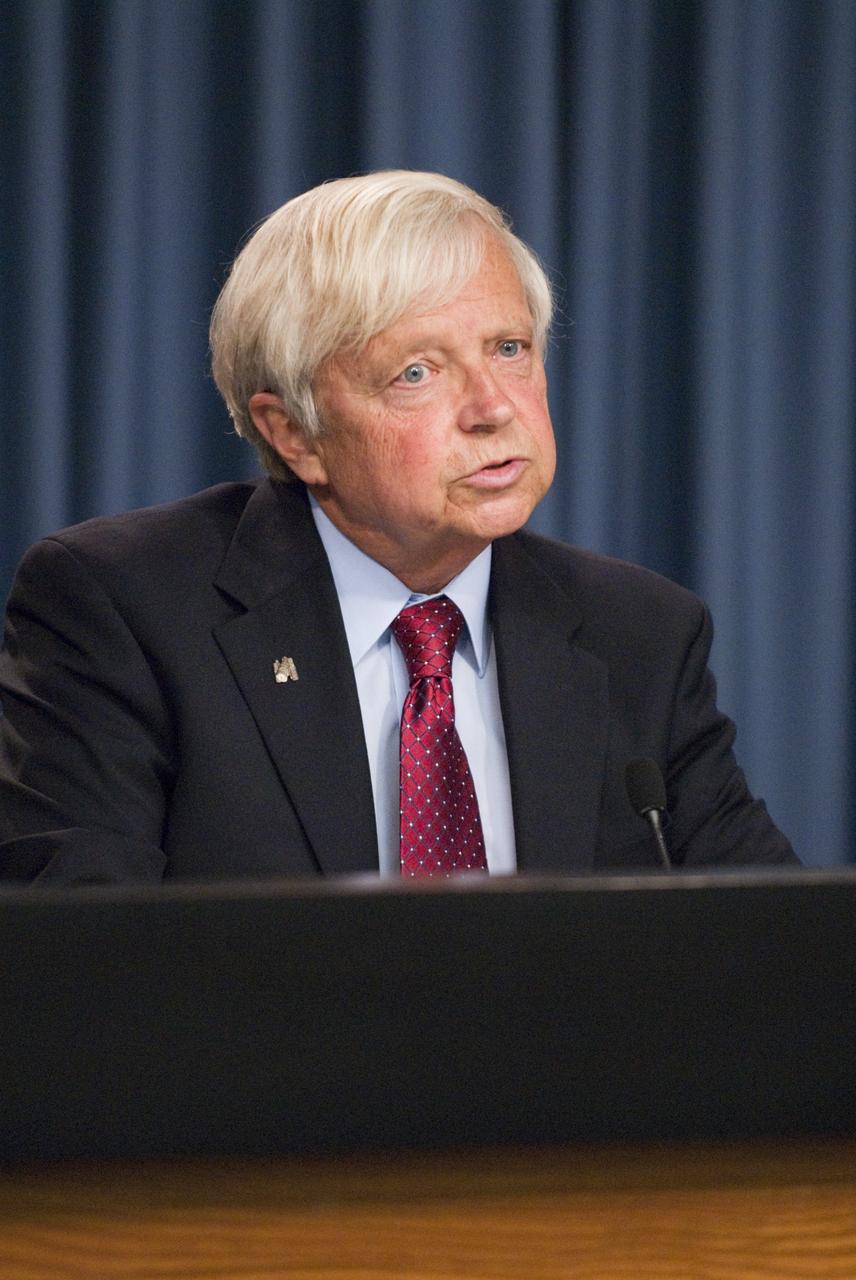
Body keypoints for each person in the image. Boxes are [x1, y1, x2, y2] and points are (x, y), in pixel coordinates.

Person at [0, 170, 797, 883]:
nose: (494, 408)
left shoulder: (642, 635)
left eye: (510, 348)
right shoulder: (124, 609)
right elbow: (84, 973)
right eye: (416, 372)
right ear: (295, 435)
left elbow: (779, 950)